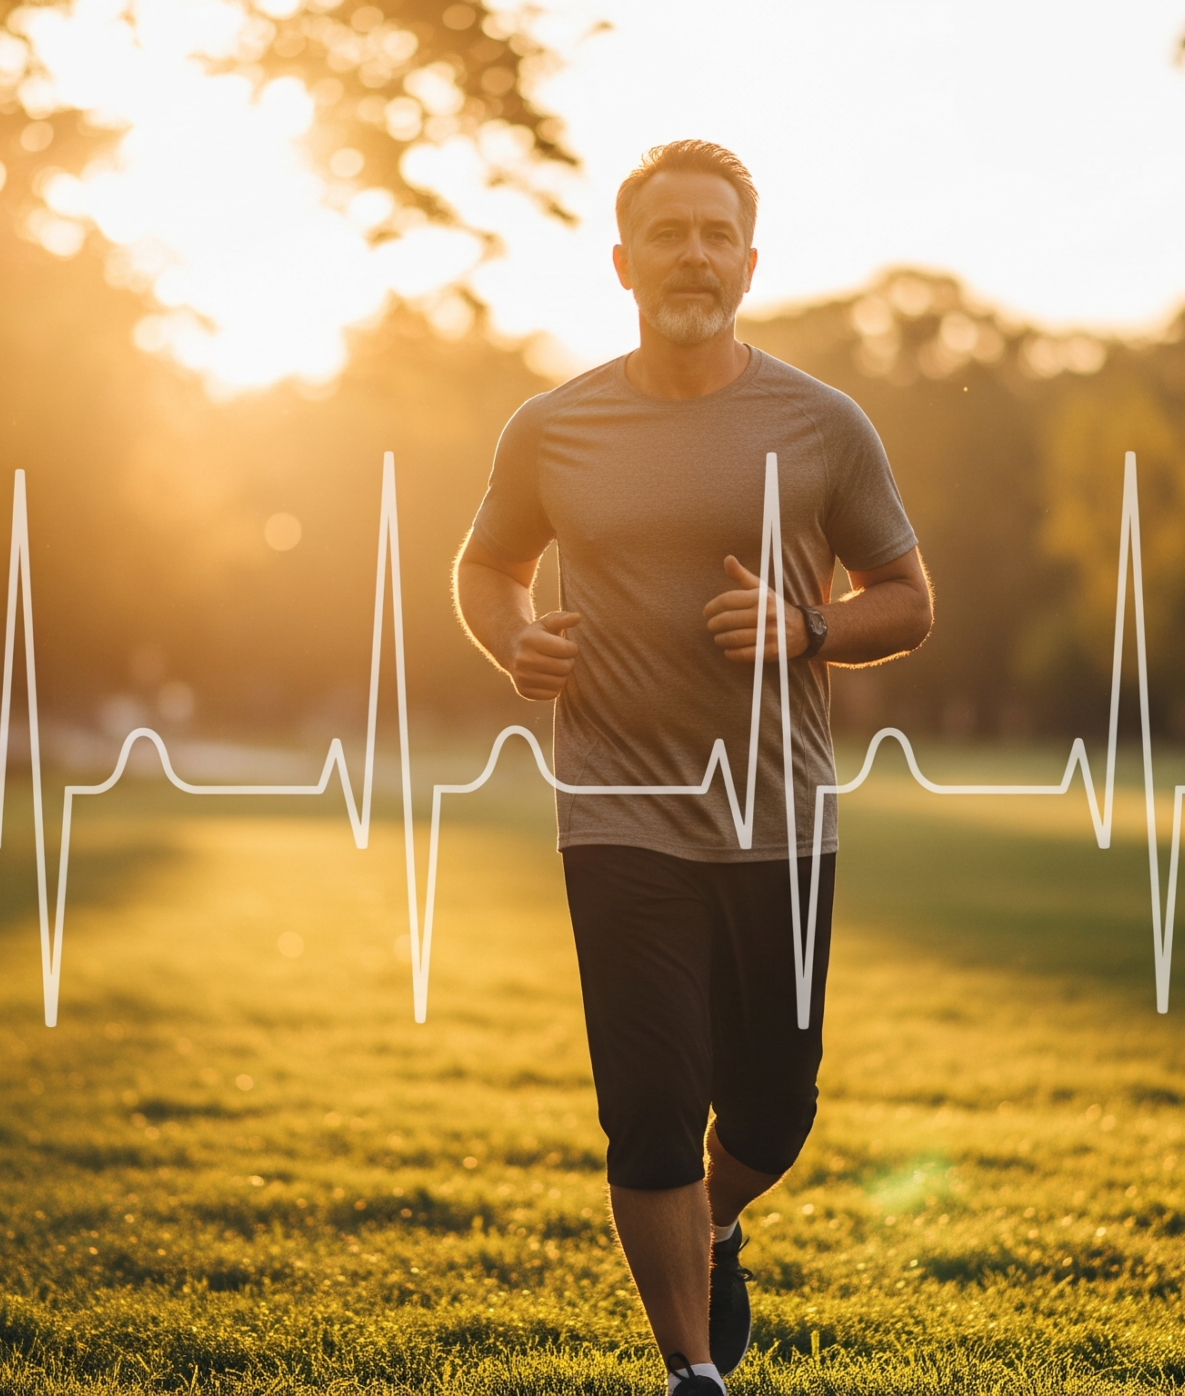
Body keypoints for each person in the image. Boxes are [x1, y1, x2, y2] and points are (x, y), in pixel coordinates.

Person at [452, 139, 933, 1396]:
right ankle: (691, 1373)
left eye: (716, 234)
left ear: (750, 262)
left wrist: (807, 627)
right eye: (668, 233)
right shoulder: (553, 426)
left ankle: (720, 1218)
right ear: (622, 261)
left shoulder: (823, 425)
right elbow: (484, 566)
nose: (693, 255)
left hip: (778, 822)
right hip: (617, 812)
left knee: (772, 1112)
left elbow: (910, 600)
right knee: (652, 1106)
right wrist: (517, 641)